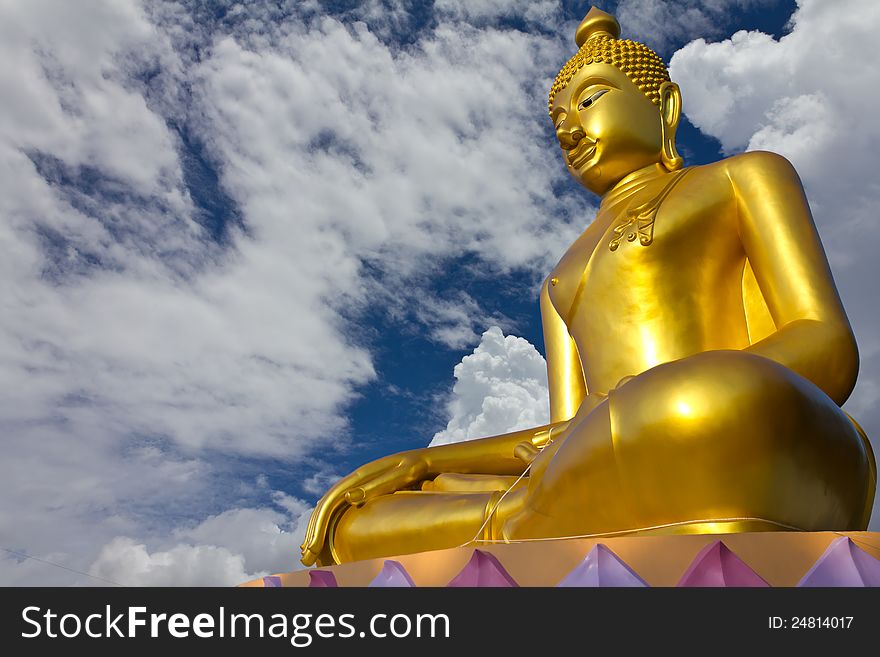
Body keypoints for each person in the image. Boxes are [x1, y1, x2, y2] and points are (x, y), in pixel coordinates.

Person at [300, 7, 876, 567]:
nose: (570, 129)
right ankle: (523, 517)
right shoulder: (559, 279)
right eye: (557, 122)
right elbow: (563, 431)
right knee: (357, 522)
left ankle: (527, 521)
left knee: (699, 403)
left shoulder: (741, 177)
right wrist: (424, 462)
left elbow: (825, 346)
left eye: (590, 100)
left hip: (736, 431)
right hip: (594, 462)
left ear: (664, 105)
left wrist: (664, 396)